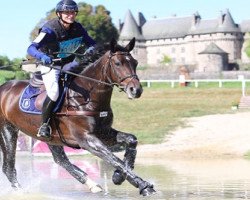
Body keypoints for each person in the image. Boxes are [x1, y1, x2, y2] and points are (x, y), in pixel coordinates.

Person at [27, 0, 96, 139]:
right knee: (53, 92)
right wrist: (42, 56)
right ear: (59, 14)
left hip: (69, 63)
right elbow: (31, 48)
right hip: (50, 65)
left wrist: (94, 49)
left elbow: (92, 43)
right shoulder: (49, 29)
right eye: (67, 12)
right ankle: (44, 125)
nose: (70, 15)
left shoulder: (78, 28)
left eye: (72, 12)